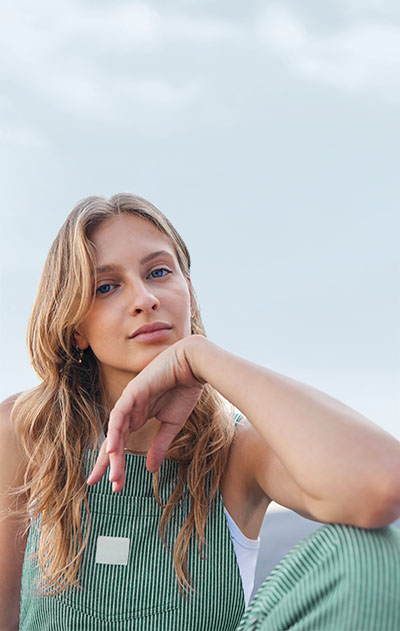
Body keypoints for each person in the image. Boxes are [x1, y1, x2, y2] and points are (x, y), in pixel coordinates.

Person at [1, 192, 399, 631]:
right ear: (76, 327)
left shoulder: (236, 451)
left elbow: (381, 485)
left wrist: (206, 359)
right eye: (106, 286)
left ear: (187, 290)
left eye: (158, 272)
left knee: (375, 553)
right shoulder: (25, 432)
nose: (145, 298)